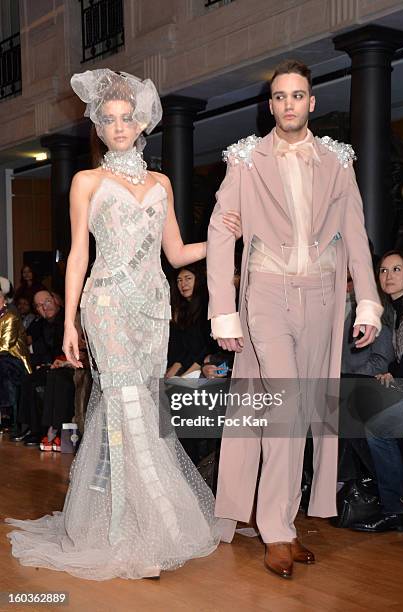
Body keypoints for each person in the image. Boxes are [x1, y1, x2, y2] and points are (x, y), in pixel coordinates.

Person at [6, 69, 240, 581]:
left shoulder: (161, 183)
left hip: (154, 308)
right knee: (129, 408)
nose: (117, 126)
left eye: (126, 117)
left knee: (137, 410)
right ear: (97, 124)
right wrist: (69, 321)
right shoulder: (86, 181)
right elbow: (77, 258)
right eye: (107, 119)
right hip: (107, 303)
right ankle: (146, 528)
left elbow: (176, 252)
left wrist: (225, 238)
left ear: (142, 122)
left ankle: (127, 521)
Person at [206, 59, 383, 579]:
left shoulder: (338, 160)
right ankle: (278, 534)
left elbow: (355, 233)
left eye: (297, 95)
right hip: (265, 295)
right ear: (271, 105)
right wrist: (223, 311)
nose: (288, 104)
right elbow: (220, 232)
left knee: (300, 413)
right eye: (279, 96)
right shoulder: (244, 160)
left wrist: (368, 301)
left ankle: (276, 519)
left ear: (312, 101)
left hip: (323, 299)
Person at [349, 250, 403, 532]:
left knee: (376, 427)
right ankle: (394, 505)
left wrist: (395, 374)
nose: (389, 276)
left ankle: (395, 508)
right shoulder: (395, 311)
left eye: (397, 270)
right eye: (384, 271)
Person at [11, 289, 65, 445]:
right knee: (27, 379)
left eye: (47, 302)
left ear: (55, 300)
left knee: (36, 381)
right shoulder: (40, 323)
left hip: (65, 365)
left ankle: (38, 430)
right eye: (40, 305)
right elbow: (32, 343)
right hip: (49, 365)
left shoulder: (65, 319)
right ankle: (28, 427)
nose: (45, 307)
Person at [166, 264, 217, 378]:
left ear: (198, 280)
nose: (183, 284)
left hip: (209, 363)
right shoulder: (183, 310)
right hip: (190, 363)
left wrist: (185, 375)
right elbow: (185, 348)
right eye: (179, 280)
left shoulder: (208, 305)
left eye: (188, 278)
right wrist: (175, 368)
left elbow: (207, 346)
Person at [0, 287, 32, 432]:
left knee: (4, 368)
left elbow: (6, 346)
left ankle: (10, 417)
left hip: (15, 359)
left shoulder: (10, 317)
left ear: (4, 300)